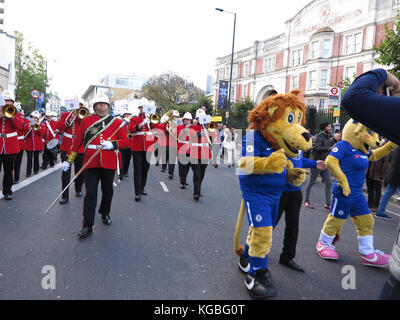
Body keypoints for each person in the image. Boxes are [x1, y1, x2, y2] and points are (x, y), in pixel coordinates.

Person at [340, 68, 400, 299]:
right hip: (343, 193)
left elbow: (373, 155)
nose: (370, 137)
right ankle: (325, 242)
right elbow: (332, 161)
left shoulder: (363, 152)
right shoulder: (344, 147)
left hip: (357, 196)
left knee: (365, 220)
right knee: (335, 220)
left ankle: (366, 251)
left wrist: (388, 145)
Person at [62, 93, 129, 238]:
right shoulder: (86, 121)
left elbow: (125, 141)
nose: (101, 106)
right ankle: (87, 225)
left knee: (107, 191)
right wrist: (69, 160)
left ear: (108, 106)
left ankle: (105, 213)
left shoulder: (116, 122)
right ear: (94, 106)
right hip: (90, 162)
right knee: (90, 194)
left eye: (104, 104)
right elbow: (77, 142)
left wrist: (113, 144)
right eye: (99, 104)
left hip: (108, 161)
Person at [276, 152, 326, 272]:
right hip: (279, 191)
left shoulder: (299, 142)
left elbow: (299, 160)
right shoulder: (284, 138)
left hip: (295, 192)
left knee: (293, 226)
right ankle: (255, 253)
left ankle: (287, 257)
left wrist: (314, 163)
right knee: (268, 225)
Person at [57, 100, 87, 204]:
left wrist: (78, 115)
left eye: (80, 105)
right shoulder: (65, 115)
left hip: (80, 148)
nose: (77, 107)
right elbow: (59, 127)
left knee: (80, 171)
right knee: (66, 172)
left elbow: (86, 126)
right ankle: (65, 196)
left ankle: (78, 188)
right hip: (66, 147)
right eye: (76, 105)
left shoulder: (83, 114)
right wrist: (66, 122)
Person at [128, 102, 156, 201]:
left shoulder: (153, 119)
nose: (144, 110)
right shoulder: (134, 119)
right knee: (137, 170)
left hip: (148, 148)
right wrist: (142, 123)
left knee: (145, 169)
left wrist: (151, 123)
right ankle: (137, 192)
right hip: (137, 148)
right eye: (142, 108)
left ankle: (142, 187)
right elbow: (131, 129)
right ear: (139, 108)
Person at [303, 121, 333, 210]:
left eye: (330, 126)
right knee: (311, 182)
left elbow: (330, 143)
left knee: (328, 183)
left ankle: (328, 204)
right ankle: (306, 201)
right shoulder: (318, 137)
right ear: (324, 128)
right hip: (316, 163)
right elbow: (316, 147)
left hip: (325, 164)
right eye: (328, 126)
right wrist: (329, 148)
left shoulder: (328, 137)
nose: (330, 128)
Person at [0, 90, 24, 200]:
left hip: (10, 146)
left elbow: (20, 126)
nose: (7, 102)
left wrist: (12, 116)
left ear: (12, 103)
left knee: (8, 170)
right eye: (5, 100)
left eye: (9, 101)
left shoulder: (17, 113)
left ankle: (7, 191)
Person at [188, 109, 211, 201]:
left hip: (205, 154)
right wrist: (201, 133)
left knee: (202, 173)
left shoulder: (207, 128)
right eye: (199, 118)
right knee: (197, 174)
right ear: (196, 119)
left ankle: (198, 189)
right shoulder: (192, 127)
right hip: (195, 153)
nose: (200, 119)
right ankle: (196, 193)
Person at [375, 146, 400, 220]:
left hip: (393, 172)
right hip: (396, 174)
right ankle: (380, 211)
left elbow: (390, 158)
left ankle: (380, 211)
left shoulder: (396, 147)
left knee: (390, 191)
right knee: (389, 191)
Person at [366, 143, 390, 213]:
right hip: (369, 172)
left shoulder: (384, 149)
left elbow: (385, 164)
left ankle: (375, 206)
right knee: (370, 189)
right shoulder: (372, 147)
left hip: (377, 174)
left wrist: (382, 175)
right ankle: (369, 204)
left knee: (377, 190)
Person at [24, 111, 45, 177]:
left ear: (38, 119)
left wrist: (37, 127)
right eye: (33, 117)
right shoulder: (27, 124)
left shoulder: (41, 125)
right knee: (29, 159)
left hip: (37, 144)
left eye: (36, 118)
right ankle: (28, 172)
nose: (34, 119)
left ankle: (36, 170)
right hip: (29, 144)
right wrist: (28, 129)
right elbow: (25, 134)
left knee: (36, 158)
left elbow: (41, 134)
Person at [13, 102, 30, 184]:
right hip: (10, 142)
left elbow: (26, 129)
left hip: (19, 143)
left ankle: (16, 178)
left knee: (17, 162)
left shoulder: (23, 119)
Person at [176, 112, 192, 189]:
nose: (187, 121)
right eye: (186, 120)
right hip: (181, 149)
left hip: (190, 150)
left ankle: (184, 179)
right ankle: (182, 182)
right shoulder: (179, 127)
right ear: (183, 120)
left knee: (187, 167)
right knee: (182, 166)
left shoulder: (192, 128)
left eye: (188, 120)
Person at [120, 112, 133, 180]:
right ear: (124, 115)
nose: (127, 115)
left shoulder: (131, 123)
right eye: (126, 114)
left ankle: (125, 172)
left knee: (128, 159)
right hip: (122, 143)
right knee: (122, 159)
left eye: (128, 114)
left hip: (129, 144)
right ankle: (121, 173)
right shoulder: (120, 122)